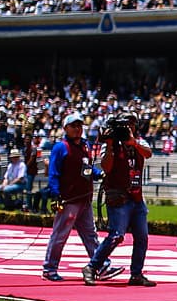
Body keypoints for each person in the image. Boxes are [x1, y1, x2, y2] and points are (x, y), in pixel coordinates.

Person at [42, 113, 118, 283]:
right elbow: (54, 173)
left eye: (79, 125)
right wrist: (55, 195)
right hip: (69, 199)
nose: (77, 129)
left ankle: (101, 265)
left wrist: (99, 174)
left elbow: (87, 169)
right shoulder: (60, 148)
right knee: (60, 235)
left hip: (84, 198)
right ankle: (49, 268)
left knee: (90, 234)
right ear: (66, 128)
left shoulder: (85, 145)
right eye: (73, 126)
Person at [83, 113, 156, 287]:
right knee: (116, 236)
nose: (128, 127)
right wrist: (109, 146)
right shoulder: (111, 142)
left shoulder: (139, 141)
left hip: (136, 196)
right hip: (118, 196)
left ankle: (136, 274)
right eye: (125, 124)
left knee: (142, 237)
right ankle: (91, 267)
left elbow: (148, 153)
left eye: (131, 123)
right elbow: (106, 167)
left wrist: (133, 143)